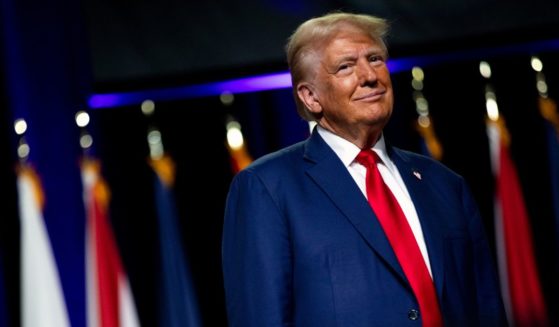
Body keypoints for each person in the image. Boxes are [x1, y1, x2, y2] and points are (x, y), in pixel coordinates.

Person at [222, 11, 506, 327]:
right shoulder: (267, 187)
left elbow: (486, 307)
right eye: (346, 66)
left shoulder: (444, 183)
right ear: (311, 96)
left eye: (375, 59)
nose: (370, 75)